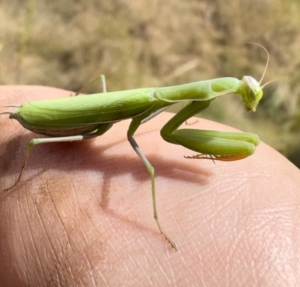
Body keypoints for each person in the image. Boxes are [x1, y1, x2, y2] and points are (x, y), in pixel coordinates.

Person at [0, 86, 299, 286]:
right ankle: (156, 221)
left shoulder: (166, 96)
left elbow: (170, 130)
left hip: (77, 115)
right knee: (150, 169)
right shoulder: (159, 100)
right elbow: (169, 134)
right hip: (51, 120)